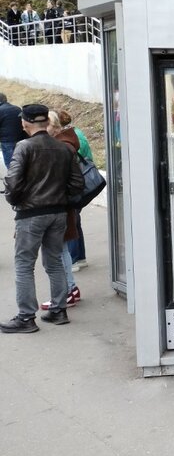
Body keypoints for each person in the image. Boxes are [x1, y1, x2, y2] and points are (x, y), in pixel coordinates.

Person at [0, 103, 84, 333]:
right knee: (54, 262)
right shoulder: (63, 148)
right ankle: (59, 310)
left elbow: (12, 183)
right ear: (47, 121)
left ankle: (26, 317)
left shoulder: (23, 147)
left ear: (25, 123)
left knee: (24, 265)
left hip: (31, 214)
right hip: (58, 213)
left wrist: (15, 201)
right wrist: (60, 199)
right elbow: (77, 184)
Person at [39, 111, 84, 309]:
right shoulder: (65, 142)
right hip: (62, 205)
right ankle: (71, 289)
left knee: (57, 251)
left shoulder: (61, 146)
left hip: (59, 205)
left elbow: (63, 179)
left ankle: (66, 291)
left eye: (46, 125)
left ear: (55, 126)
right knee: (61, 248)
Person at [58, 109, 90, 270]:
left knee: (71, 222)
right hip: (78, 183)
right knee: (75, 222)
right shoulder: (75, 133)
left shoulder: (69, 139)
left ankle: (75, 258)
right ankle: (80, 257)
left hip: (75, 185)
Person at [0, 93, 27, 169]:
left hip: (7, 142)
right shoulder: (17, 108)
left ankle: (15, 176)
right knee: (21, 163)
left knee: (11, 165)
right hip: (21, 140)